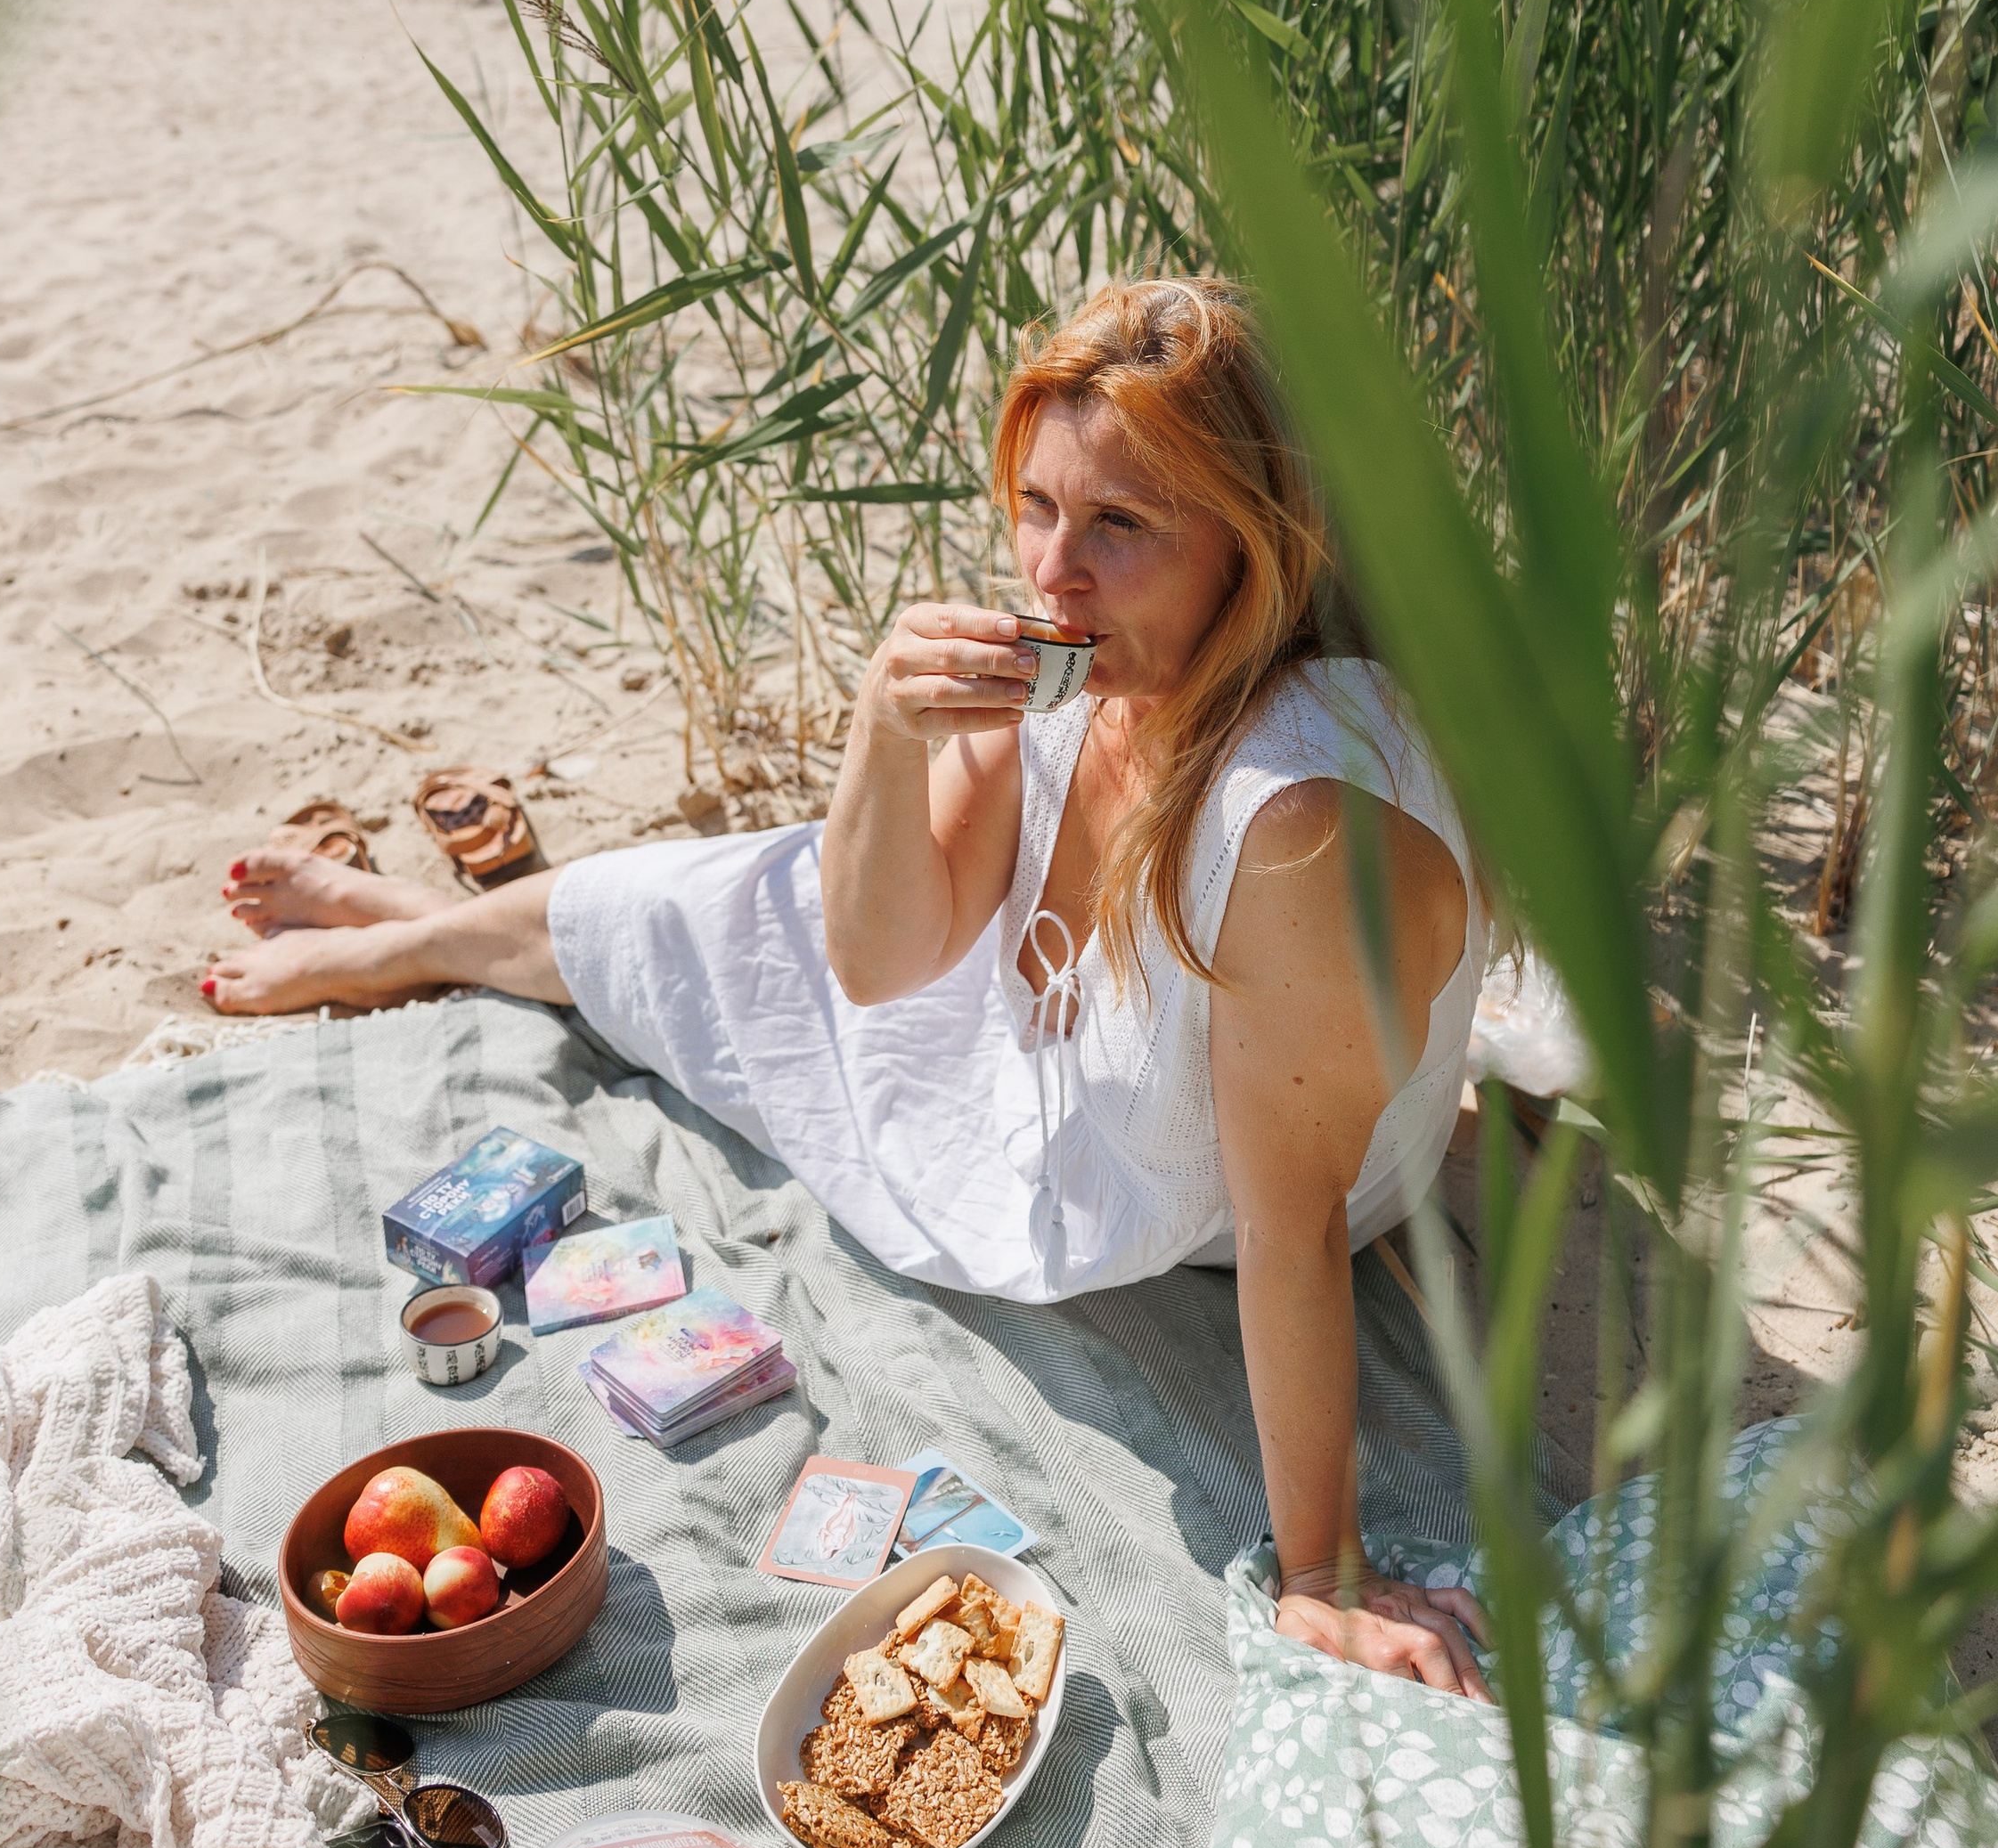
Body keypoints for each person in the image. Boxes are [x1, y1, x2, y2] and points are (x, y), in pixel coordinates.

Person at [208, 278, 1492, 1695]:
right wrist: (884, 730)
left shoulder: (1298, 827)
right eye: (1038, 506)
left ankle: (442, 930)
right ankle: (411, 936)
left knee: (737, 930)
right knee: (720, 904)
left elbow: (1292, 1222)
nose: (1054, 573)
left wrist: (1320, 1572)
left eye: (1122, 524)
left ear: (1256, 552)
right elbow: (879, 957)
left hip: (1236, 1195)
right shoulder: (1104, 662)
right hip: (1065, 1034)